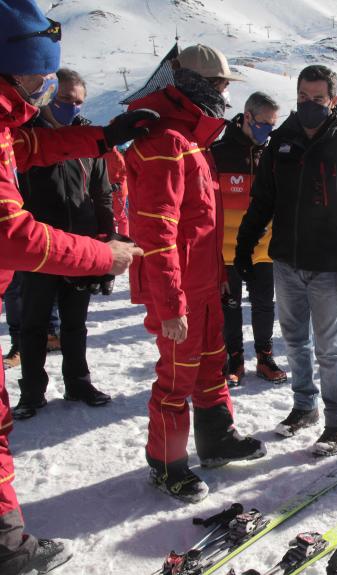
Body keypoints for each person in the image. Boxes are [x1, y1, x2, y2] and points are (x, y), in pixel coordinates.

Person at [0, 1, 147, 570]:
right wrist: (102, 256)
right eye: (40, 78)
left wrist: (104, 137)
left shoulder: (10, 124)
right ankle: (9, 552)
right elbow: (12, 235)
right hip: (45, 258)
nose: (45, 90)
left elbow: (33, 147)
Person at [126, 44, 266, 503]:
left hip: (204, 284)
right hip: (179, 290)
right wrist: (170, 304)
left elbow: (200, 226)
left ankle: (216, 441)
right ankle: (165, 463)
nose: (225, 96)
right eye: (222, 86)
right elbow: (156, 232)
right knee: (175, 379)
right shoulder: (165, 142)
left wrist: (221, 280)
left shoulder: (193, 141)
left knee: (211, 366)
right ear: (200, 86)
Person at [235, 64, 337, 456]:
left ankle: (336, 422)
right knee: (295, 341)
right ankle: (304, 407)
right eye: (303, 98)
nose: (309, 105)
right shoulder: (283, 140)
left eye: (318, 99)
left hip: (330, 265)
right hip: (285, 261)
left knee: (329, 349)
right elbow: (263, 197)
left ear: (333, 100)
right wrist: (245, 244)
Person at [14, 68, 115, 419]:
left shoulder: (88, 140)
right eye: (63, 101)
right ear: (47, 98)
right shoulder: (24, 136)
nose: (71, 108)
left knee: (75, 321)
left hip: (81, 245)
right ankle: (31, 391)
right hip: (39, 245)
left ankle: (78, 381)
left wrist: (107, 240)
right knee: (34, 323)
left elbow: (102, 195)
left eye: (77, 102)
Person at [210, 91, 286, 386]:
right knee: (229, 306)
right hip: (227, 249)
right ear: (248, 116)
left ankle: (264, 357)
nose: (267, 130)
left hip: (263, 248)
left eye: (273, 125)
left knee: (264, 305)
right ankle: (235, 358)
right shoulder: (217, 153)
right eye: (264, 123)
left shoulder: (272, 154)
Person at [104, 143, 129, 236]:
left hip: (119, 191)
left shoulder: (117, 156)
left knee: (120, 216)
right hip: (108, 189)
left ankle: (124, 237)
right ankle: (113, 235)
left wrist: (118, 184)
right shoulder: (103, 155)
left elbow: (125, 172)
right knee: (110, 215)